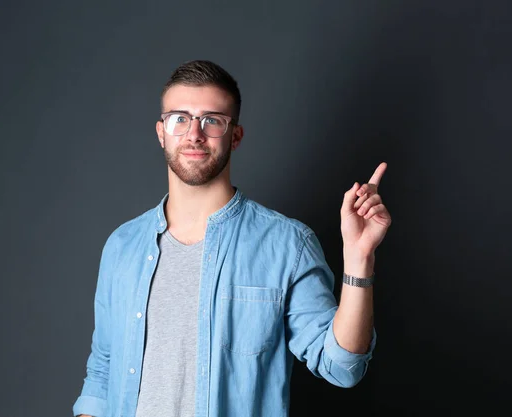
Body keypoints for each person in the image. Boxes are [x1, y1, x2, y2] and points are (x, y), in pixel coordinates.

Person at [72, 59, 391, 417]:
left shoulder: (287, 244)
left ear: (235, 136)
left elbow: (343, 368)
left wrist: (359, 259)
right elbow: (102, 373)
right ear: (162, 132)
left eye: (212, 120)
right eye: (180, 119)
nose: (194, 134)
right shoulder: (122, 246)